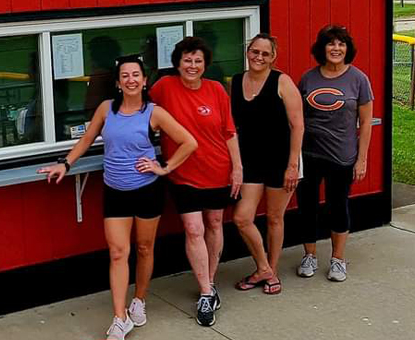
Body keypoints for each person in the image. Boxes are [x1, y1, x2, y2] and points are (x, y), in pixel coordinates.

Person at [39, 54, 197, 340]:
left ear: (144, 80)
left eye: (136, 75)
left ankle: (139, 299)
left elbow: (189, 142)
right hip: (115, 192)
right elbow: (86, 140)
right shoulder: (105, 109)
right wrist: (65, 163)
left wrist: (164, 168)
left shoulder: (154, 113)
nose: (131, 80)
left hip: (147, 190)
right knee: (117, 253)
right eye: (125, 76)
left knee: (145, 249)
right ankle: (119, 317)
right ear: (118, 82)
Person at [149, 37, 242, 327]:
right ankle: (205, 292)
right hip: (182, 172)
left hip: (217, 169)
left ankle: (210, 281)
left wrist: (237, 167)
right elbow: (138, 107)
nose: (192, 66)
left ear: (205, 64)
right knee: (193, 228)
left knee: (214, 223)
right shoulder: (163, 87)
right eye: (187, 60)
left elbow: (229, 132)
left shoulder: (216, 90)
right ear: (177, 62)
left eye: (198, 61)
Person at [296, 25, 373, 282]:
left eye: (341, 44)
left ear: (347, 49)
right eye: (331, 44)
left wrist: (361, 159)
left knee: (337, 206)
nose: (336, 48)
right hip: (309, 154)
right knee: (306, 206)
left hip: (342, 156)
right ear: (322, 48)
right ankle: (309, 255)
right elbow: (297, 119)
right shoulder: (308, 78)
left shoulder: (358, 80)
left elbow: (365, 123)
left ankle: (338, 260)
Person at [230, 34, 304, 295]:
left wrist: (293, 165)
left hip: (281, 161)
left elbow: (297, 125)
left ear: (273, 57)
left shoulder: (281, 82)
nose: (258, 57)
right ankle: (264, 268)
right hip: (250, 161)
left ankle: (271, 271)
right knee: (242, 218)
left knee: (274, 218)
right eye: (254, 52)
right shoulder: (237, 81)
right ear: (247, 52)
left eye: (265, 53)